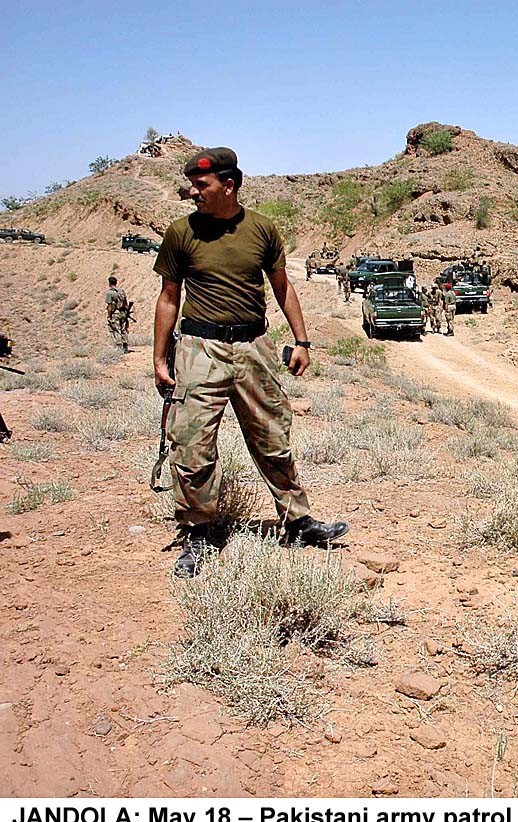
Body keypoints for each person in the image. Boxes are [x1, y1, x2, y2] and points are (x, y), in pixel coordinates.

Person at [153, 147, 348, 578]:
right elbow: (169, 298)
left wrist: (302, 341)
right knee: (192, 447)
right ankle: (199, 535)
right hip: (199, 349)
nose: (193, 192)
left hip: (253, 347)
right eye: (192, 184)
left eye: (200, 185)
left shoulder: (261, 229)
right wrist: (159, 357)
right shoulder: (180, 232)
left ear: (229, 184)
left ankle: (297, 521)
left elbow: (283, 289)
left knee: (272, 437)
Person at [105, 276, 132, 353]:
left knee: (115, 330)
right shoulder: (122, 291)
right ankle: (125, 347)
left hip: (115, 314)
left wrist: (109, 316)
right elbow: (126, 304)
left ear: (109, 283)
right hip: (123, 313)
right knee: (124, 330)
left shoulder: (109, 293)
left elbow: (109, 307)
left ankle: (119, 348)